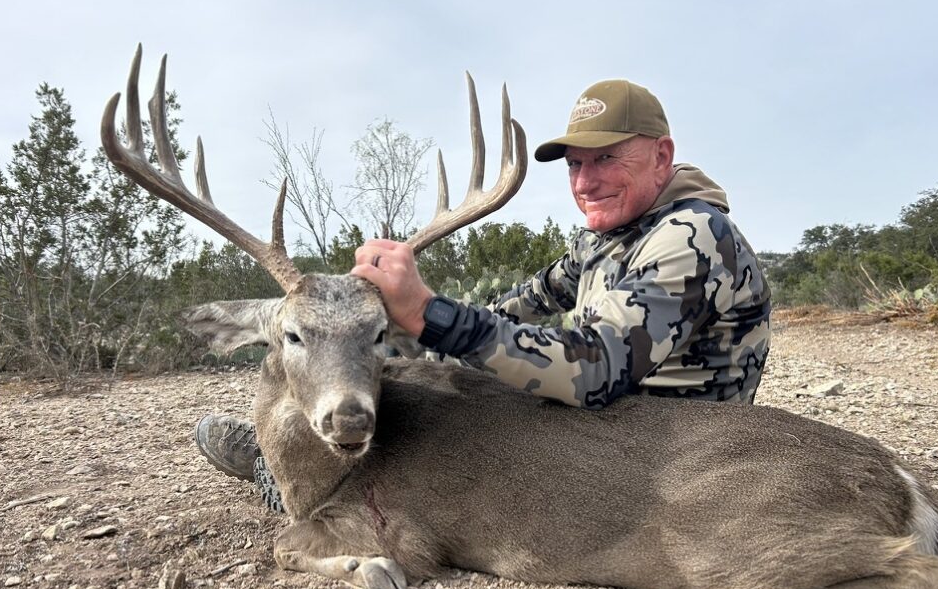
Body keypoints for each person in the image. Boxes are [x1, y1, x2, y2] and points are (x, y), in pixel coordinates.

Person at [197, 79, 772, 511]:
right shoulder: (607, 239)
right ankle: (290, 450)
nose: (585, 181)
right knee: (420, 376)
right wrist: (397, 335)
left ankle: (281, 472)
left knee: (439, 422)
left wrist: (430, 313)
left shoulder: (691, 236)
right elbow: (523, 304)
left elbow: (595, 370)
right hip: (614, 431)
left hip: (670, 454)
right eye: (575, 165)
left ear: (661, 157)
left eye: (606, 159)